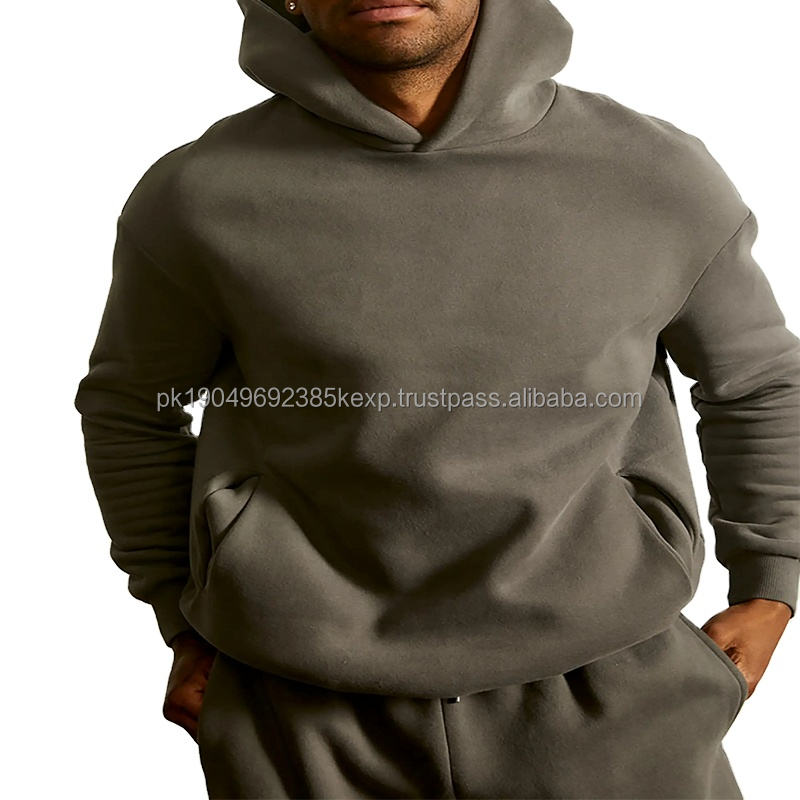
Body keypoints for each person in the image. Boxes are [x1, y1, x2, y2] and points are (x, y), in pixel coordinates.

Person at [74, 0, 800, 797]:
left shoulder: (654, 174)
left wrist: (772, 585)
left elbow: (757, 381)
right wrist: (178, 614)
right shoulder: (196, 195)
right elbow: (132, 408)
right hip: (298, 707)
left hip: (619, 688)